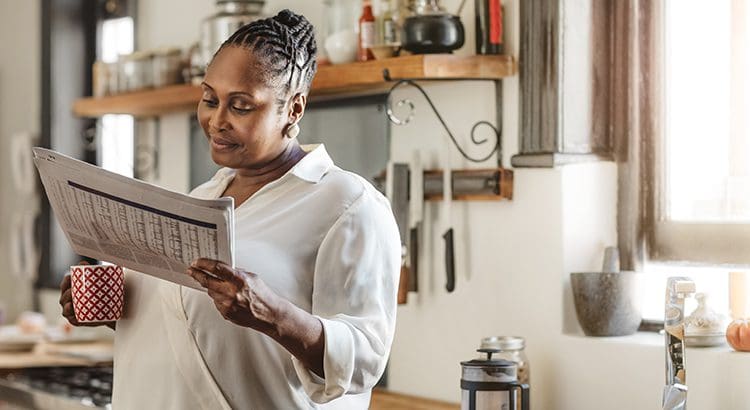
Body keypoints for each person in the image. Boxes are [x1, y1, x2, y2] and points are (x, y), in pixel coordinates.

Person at [58, 9, 401, 409]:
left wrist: (273, 315)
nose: (217, 120)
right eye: (209, 99)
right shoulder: (201, 200)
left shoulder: (347, 204)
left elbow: (364, 360)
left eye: (240, 106)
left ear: (293, 109)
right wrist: (118, 310)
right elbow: (193, 331)